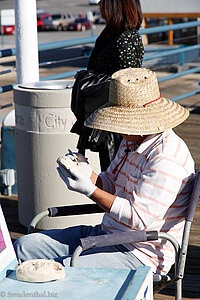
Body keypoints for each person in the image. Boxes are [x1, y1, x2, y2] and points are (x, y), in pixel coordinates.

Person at [14, 68, 195, 276]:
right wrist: (84, 171)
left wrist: (90, 190)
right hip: (108, 234)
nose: (116, 129)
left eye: (120, 123)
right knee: (24, 247)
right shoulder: (132, 141)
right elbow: (110, 183)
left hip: (140, 253)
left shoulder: (165, 158)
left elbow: (137, 218)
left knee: (58, 271)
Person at [71, 0, 144, 171]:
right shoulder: (117, 34)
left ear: (115, 7)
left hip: (117, 121)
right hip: (110, 116)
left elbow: (126, 82)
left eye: (104, 3)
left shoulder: (124, 39)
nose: (100, 6)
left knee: (115, 170)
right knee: (112, 169)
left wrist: (86, 78)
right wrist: (89, 75)